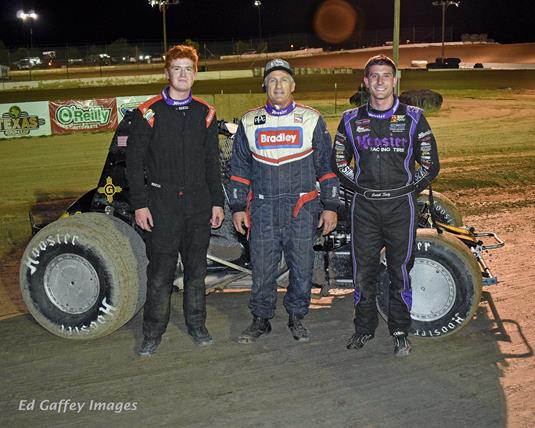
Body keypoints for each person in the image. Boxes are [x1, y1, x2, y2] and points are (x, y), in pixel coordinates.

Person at [331, 54, 440, 356]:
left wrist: (406, 190)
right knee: (362, 271)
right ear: (365, 82)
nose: (380, 81)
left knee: (400, 271)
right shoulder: (351, 119)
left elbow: (430, 165)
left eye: (385, 76)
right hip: (363, 208)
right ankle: (364, 329)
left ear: (395, 80)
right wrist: (361, 187)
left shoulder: (414, 117)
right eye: (374, 76)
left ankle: (400, 330)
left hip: (400, 208)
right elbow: (339, 162)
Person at [229, 58, 340, 343]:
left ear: (293, 84)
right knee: (263, 270)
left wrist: (330, 206)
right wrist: (239, 207)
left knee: (302, 268)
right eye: (272, 80)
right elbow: (240, 168)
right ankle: (261, 319)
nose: (278, 85)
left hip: (301, 207)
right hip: (263, 207)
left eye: (284, 80)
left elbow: (326, 167)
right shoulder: (249, 121)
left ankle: (296, 317)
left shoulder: (312, 118)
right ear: (265, 85)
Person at [126, 45, 224, 356]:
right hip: (161, 205)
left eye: (188, 69)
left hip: (198, 204)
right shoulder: (148, 112)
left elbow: (212, 162)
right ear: (167, 72)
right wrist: (140, 204)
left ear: (195, 74)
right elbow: (134, 164)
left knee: (196, 272)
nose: (182, 74)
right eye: (176, 68)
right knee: (161, 274)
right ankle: (153, 332)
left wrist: (217, 202)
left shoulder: (205, 113)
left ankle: (197, 324)